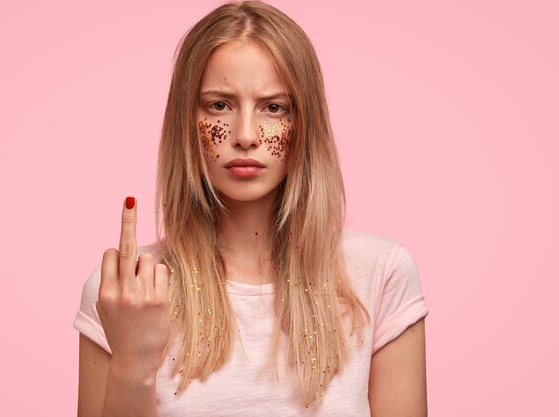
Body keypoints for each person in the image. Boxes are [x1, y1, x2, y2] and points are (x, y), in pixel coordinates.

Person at [74, 1, 429, 416]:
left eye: (273, 107)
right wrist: (133, 368)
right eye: (219, 105)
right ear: (187, 120)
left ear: (304, 122)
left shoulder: (379, 274)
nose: (245, 136)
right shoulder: (125, 291)